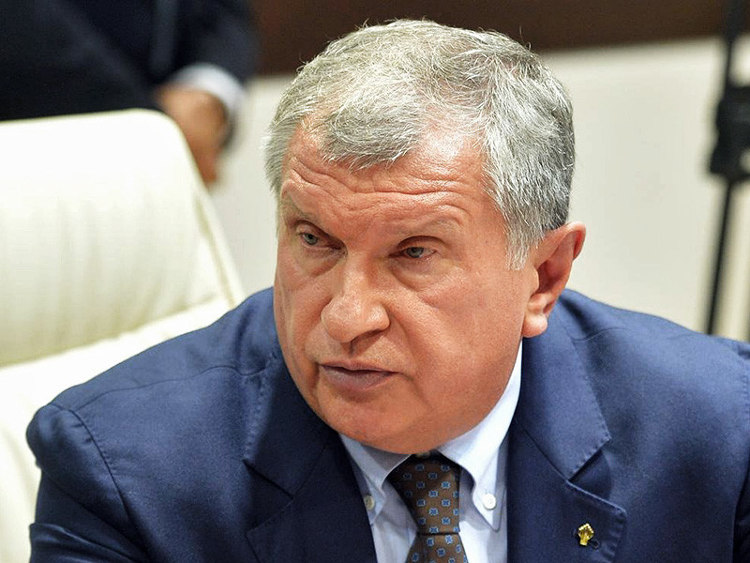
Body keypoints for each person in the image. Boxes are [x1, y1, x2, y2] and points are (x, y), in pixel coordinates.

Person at [26, 20, 750, 562]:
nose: (346, 318)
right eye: (315, 240)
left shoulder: (719, 432)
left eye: (413, 254)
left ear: (545, 277)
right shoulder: (125, 475)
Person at [0, 0, 255, 184]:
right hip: (38, 152)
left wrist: (208, 89)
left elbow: (223, 12)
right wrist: (158, 125)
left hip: (163, 150)